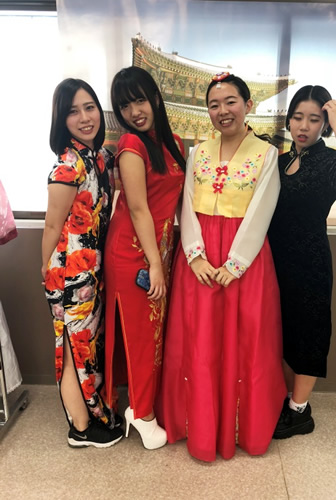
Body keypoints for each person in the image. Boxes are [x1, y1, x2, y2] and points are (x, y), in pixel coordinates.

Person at [158, 72, 287, 462]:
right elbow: (186, 203)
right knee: (199, 341)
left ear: (248, 105)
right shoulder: (198, 152)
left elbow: (263, 209)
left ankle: (241, 428)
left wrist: (236, 263)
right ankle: (195, 425)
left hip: (244, 258)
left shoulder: (266, 154)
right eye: (214, 105)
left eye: (230, 102)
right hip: (199, 258)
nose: (222, 111)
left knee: (243, 341)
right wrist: (194, 254)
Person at [268, 85, 336, 439]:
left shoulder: (330, 162)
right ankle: (289, 399)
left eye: (314, 119)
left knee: (309, 336)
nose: (304, 126)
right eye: (298, 117)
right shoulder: (280, 161)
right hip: (274, 262)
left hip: (310, 263)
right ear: (288, 120)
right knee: (282, 334)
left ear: (324, 125)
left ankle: (300, 411)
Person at [104, 66, 186, 450]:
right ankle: (142, 413)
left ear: (155, 97)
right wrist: (154, 263)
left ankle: (143, 405)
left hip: (159, 250)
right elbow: (137, 209)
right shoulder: (131, 145)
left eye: (139, 100)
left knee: (154, 334)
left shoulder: (175, 143)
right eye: (125, 106)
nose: (134, 112)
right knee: (140, 336)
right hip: (133, 253)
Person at [42, 78, 123, 448]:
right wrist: (45, 270)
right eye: (73, 111)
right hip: (69, 275)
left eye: (90, 107)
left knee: (86, 346)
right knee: (73, 348)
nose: (85, 117)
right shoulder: (67, 165)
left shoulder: (99, 156)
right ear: (62, 119)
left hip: (91, 271)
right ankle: (80, 427)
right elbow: (52, 226)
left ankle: (92, 415)